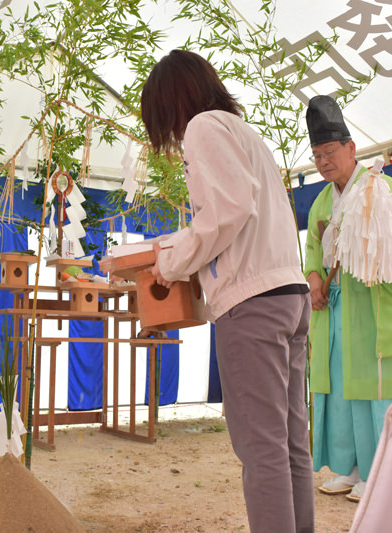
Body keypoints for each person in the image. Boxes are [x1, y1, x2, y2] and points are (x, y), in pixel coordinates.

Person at [141, 49, 314, 533]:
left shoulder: (204, 127)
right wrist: (180, 248)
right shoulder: (246, 133)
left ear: (173, 102)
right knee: (289, 445)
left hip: (253, 305)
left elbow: (225, 212)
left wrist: (170, 261)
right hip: (288, 294)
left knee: (262, 451)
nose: (173, 138)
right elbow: (239, 211)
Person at [303, 95, 392, 503]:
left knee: (372, 390)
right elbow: (312, 249)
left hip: (372, 306)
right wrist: (314, 278)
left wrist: (377, 257)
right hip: (336, 308)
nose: (323, 162)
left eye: (330, 152)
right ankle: (348, 468)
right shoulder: (322, 201)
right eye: (318, 154)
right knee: (339, 388)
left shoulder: (384, 189)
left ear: (351, 149)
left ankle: (382, 471)